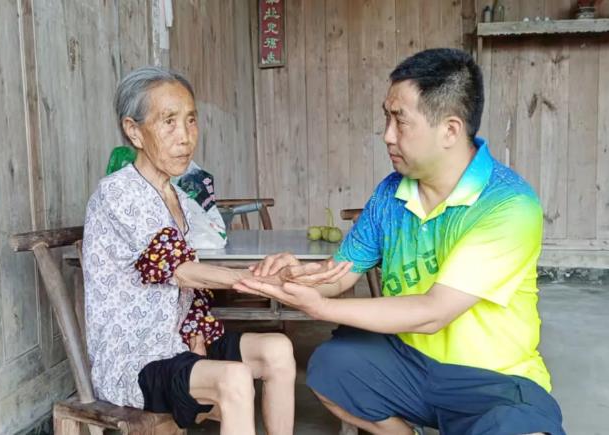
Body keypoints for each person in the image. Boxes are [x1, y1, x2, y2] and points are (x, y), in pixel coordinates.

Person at [235, 48, 565, 435]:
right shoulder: (390, 193)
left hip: (493, 382)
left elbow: (434, 312)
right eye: (386, 118)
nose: (387, 135)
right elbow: (340, 273)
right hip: (410, 365)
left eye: (400, 121)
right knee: (331, 368)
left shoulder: (508, 203)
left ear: (450, 130)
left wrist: (322, 307)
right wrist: (297, 277)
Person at [82, 66, 347, 434]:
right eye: (169, 122)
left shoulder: (176, 196)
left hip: (178, 343)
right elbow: (181, 270)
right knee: (234, 379)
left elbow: (190, 278)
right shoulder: (118, 192)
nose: (185, 137)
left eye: (190, 120)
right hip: (135, 361)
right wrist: (254, 279)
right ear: (134, 130)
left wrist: (199, 325)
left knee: (278, 350)